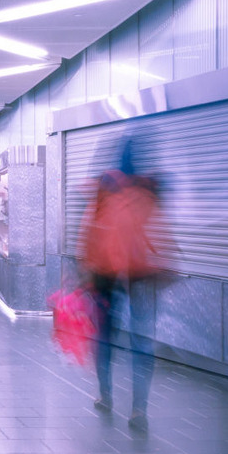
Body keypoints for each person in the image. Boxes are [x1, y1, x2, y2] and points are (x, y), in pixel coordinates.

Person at [80, 139, 160, 432]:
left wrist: (85, 267)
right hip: (141, 270)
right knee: (141, 340)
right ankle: (139, 409)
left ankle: (105, 394)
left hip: (106, 272)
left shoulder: (106, 185)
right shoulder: (149, 186)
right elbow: (157, 227)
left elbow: (90, 227)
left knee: (103, 336)